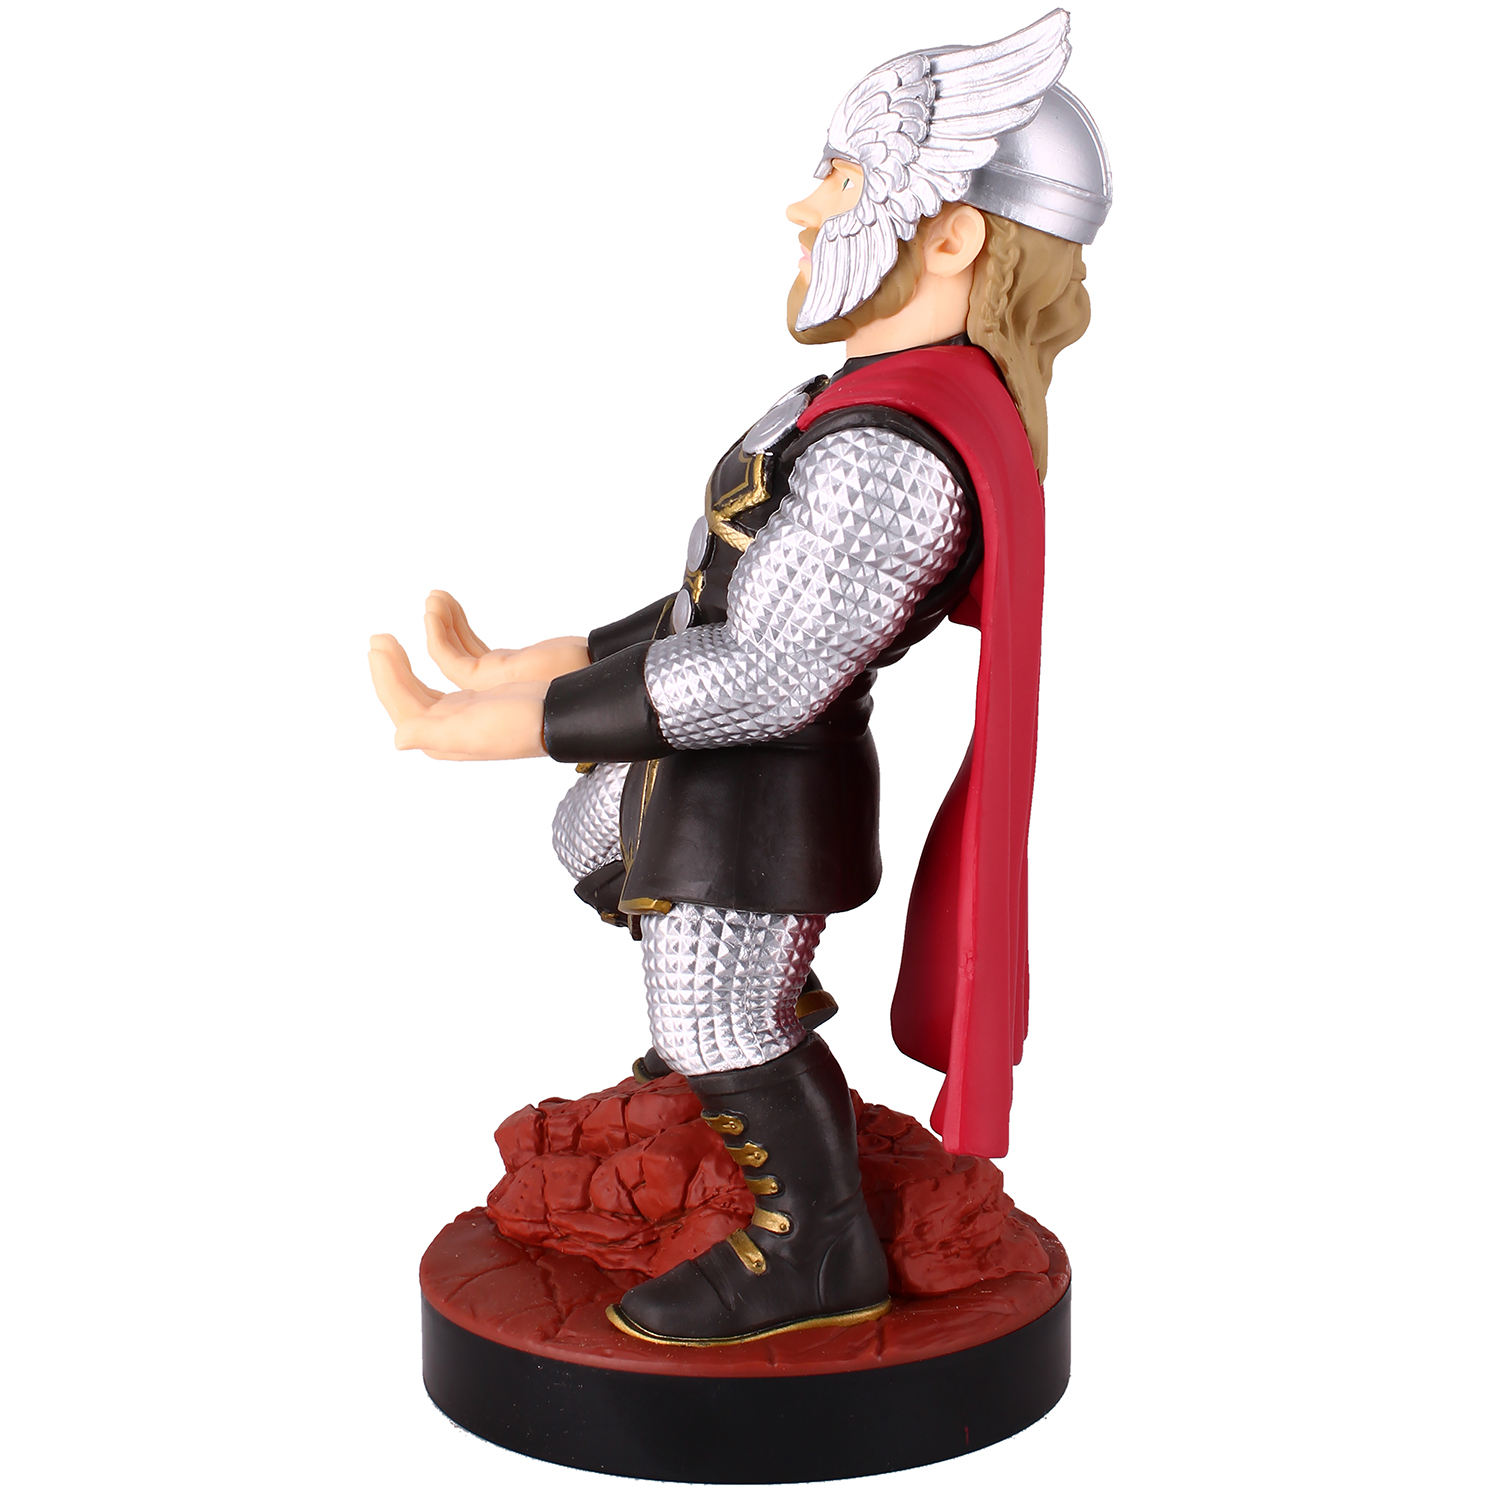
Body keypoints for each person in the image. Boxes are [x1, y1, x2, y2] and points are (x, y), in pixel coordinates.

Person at [370, 8, 1110, 1346]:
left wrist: (520, 722)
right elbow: (726, 594)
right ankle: (744, 1054)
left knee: (715, 1016)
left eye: (843, 176)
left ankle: (811, 1247)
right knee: (593, 840)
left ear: (952, 235)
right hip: (714, 766)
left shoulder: (893, 447)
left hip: (762, 786)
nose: (804, 207)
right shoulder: (846, 398)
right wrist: (546, 660)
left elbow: (773, 669)